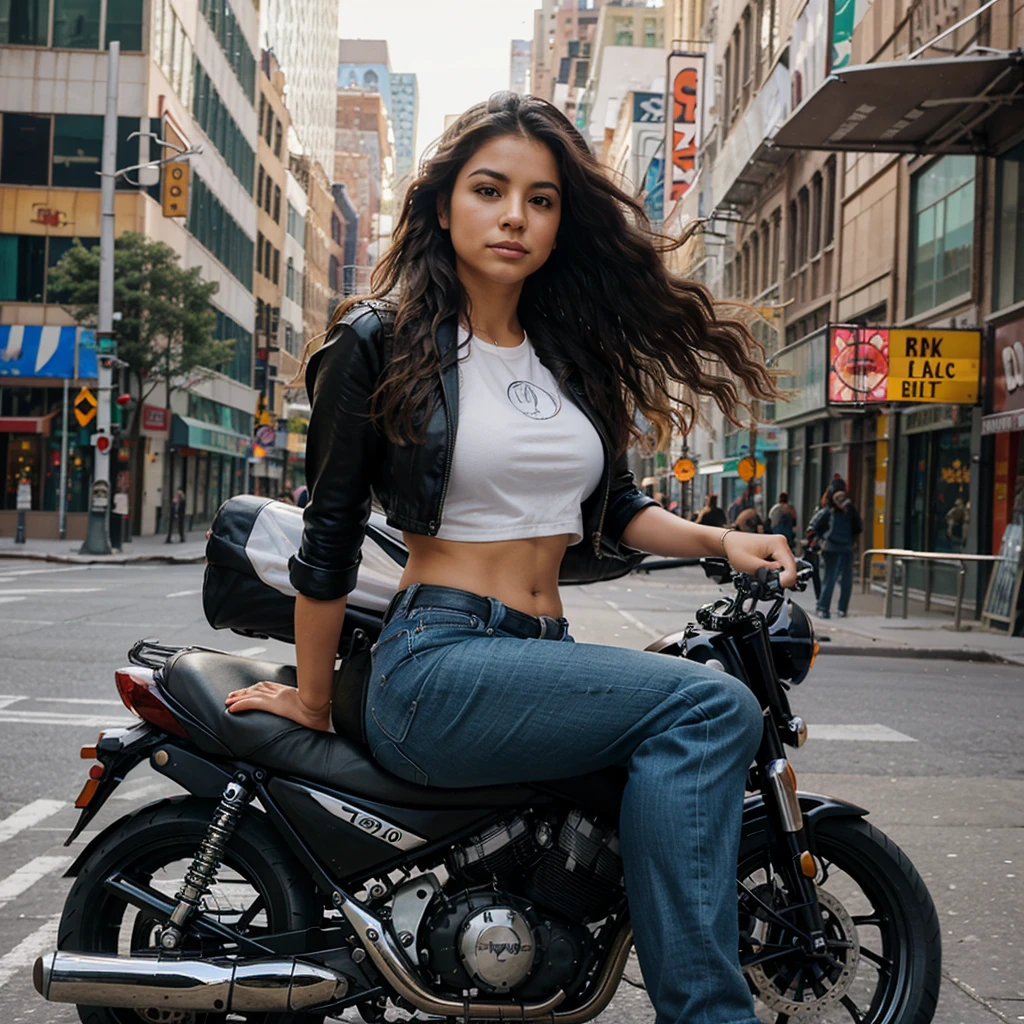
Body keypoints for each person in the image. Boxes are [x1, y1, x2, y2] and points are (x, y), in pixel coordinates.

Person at [224, 93, 795, 1024]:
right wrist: (315, 698)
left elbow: (614, 510)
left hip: (537, 651)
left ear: (563, 222)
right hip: (438, 661)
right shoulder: (380, 340)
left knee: (633, 789)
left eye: (541, 199)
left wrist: (722, 542)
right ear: (444, 202)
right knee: (709, 705)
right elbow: (326, 535)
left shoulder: (569, 356)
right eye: (490, 190)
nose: (515, 217)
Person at [808, 488, 862, 618]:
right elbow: (859, 528)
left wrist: (820, 540)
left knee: (829, 578)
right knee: (845, 580)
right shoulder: (851, 512)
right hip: (846, 548)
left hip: (831, 548)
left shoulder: (828, 511)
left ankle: (823, 608)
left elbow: (814, 526)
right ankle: (842, 609)